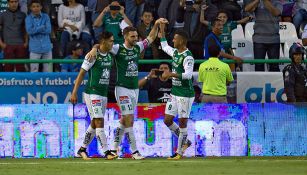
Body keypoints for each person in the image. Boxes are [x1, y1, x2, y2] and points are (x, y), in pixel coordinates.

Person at [87, 18, 168, 159]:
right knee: (129, 118)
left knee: (124, 120)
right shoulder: (118, 48)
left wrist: (155, 24)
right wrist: (94, 49)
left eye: (136, 36)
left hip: (134, 89)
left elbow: (151, 37)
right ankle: (135, 151)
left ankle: (113, 149)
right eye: (132, 36)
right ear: (125, 37)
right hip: (122, 88)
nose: (135, 38)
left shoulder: (138, 47)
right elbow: (102, 45)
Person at [70, 31, 117, 160]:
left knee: (95, 122)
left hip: (103, 93)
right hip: (92, 93)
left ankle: (82, 149)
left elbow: (98, 46)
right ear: (104, 42)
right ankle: (106, 152)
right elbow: (81, 73)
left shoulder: (109, 55)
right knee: (99, 120)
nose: (113, 43)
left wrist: (95, 47)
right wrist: (74, 92)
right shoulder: (91, 56)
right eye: (111, 41)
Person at [159, 24, 194, 160]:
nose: (173, 41)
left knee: (183, 122)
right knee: (167, 120)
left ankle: (179, 152)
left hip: (185, 94)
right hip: (174, 93)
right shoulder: (174, 52)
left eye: (175, 39)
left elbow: (188, 75)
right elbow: (164, 45)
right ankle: (185, 141)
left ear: (182, 41)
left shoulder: (188, 57)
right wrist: (161, 28)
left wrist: (171, 74)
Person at [245, 0, 282, 72]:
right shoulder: (257, 3)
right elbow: (247, 9)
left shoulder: (278, 3)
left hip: (274, 40)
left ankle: (274, 83)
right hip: (259, 40)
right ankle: (259, 83)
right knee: (259, 66)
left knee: (274, 66)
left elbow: (275, 12)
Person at [0, 0, 28, 72]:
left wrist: (26, 42)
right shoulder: (2, 15)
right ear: (8, 3)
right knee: (8, 68)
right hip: (8, 45)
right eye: (12, 2)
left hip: (20, 45)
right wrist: (1, 43)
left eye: (15, 2)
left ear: (18, 2)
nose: (14, 4)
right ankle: (9, 83)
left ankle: (20, 83)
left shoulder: (23, 15)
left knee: (21, 68)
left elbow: (25, 30)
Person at [25, 0, 52, 72]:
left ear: (41, 7)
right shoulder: (28, 18)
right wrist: (41, 27)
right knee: (34, 71)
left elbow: (48, 30)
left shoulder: (46, 17)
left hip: (47, 48)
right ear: (30, 8)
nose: (36, 8)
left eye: (37, 6)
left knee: (48, 71)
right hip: (34, 49)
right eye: (33, 6)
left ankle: (46, 84)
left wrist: (35, 29)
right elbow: (29, 31)